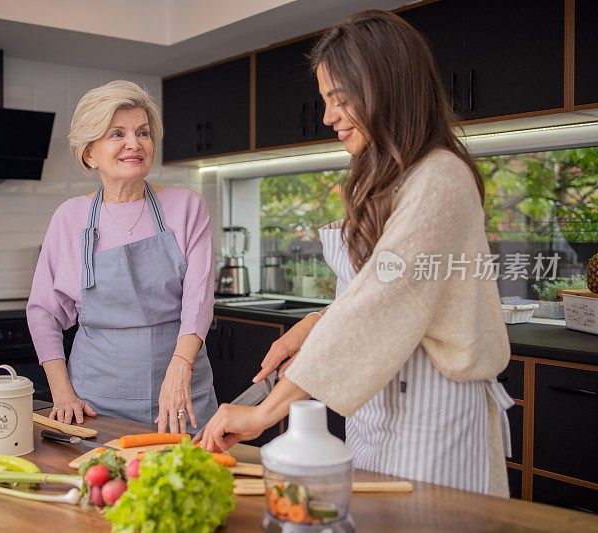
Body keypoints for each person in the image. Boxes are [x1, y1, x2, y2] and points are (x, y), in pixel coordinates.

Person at [200, 10, 514, 496]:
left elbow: (384, 302)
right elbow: (369, 291)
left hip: (434, 416)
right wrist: (308, 327)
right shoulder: (392, 178)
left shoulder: (440, 178)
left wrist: (267, 410)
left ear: (387, 90)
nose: (327, 116)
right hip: (380, 408)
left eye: (340, 99)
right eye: (325, 100)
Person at [27, 80, 218, 434]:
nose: (135, 143)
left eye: (143, 132)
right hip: (95, 403)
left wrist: (179, 369)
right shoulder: (70, 218)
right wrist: (62, 393)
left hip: (179, 394)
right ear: (89, 153)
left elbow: (199, 300)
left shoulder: (187, 207)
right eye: (117, 133)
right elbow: (43, 312)